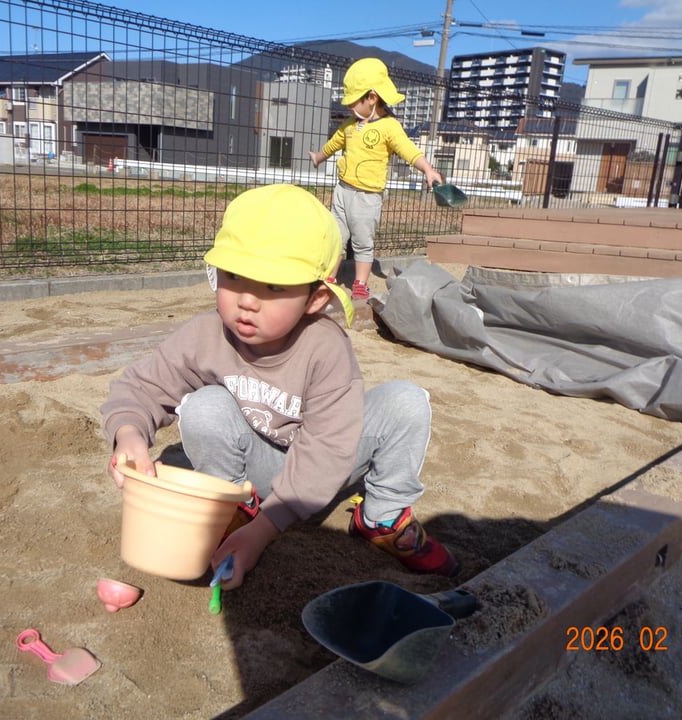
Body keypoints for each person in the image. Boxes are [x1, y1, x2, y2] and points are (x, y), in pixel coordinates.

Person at [100, 184, 457, 590]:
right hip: (255, 467)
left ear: (315, 298)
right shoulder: (206, 335)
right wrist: (128, 434)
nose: (247, 300)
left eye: (273, 286)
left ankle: (382, 517)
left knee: (407, 401)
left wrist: (266, 530)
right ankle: (232, 509)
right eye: (234, 276)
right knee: (204, 406)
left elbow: (328, 449)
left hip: (323, 468)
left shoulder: (324, 347)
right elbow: (142, 386)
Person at [308, 57, 444, 301]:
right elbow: (333, 144)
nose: (348, 107)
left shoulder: (389, 127)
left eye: (353, 102)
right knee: (335, 238)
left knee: (362, 241)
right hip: (342, 191)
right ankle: (330, 278)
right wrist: (319, 157)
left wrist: (427, 169)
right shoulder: (350, 125)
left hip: (367, 197)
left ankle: (360, 283)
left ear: (371, 98)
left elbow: (408, 149)